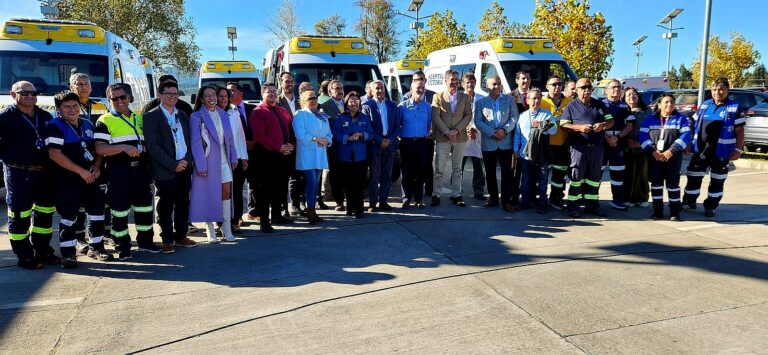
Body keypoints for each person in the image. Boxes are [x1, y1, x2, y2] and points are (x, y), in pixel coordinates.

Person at [44, 91, 112, 268]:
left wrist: (96, 166)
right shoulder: (54, 126)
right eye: (66, 107)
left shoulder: (87, 123)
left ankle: (97, 248)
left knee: (97, 213)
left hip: (90, 178)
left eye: (75, 106)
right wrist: (81, 172)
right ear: (58, 109)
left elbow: (98, 150)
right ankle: (69, 254)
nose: (72, 110)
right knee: (69, 217)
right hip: (67, 180)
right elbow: (54, 154)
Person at [94, 83, 158, 259]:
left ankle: (146, 242)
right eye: (114, 98)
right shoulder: (104, 120)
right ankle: (122, 245)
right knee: (119, 211)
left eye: (123, 97)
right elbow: (100, 148)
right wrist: (124, 147)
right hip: (119, 171)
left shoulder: (139, 118)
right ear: (109, 101)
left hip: (141, 171)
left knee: (144, 207)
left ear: (129, 98)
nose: (119, 101)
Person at [0, 81, 59, 269]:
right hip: (17, 172)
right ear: (13, 94)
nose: (30, 97)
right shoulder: (4, 118)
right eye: (25, 93)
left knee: (45, 214)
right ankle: (24, 256)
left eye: (34, 93)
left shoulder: (45, 116)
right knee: (19, 215)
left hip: (43, 172)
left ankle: (43, 251)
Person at [143, 81, 197, 253]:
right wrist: (173, 165)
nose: (173, 97)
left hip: (184, 167)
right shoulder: (151, 116)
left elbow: (190, 141)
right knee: (166, 206)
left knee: (183, 203)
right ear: (160, 95)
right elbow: (153, 146)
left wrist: (186, 160)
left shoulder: (182, 115)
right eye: (169, 93)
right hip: (165, 170)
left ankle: (181, 235)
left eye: (175, 93)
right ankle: (167, 239)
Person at [682, 77, 745, 217]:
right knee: (693, 176)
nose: (717, 92)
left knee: (717, 180)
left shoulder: (735, 107)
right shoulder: (704, 105)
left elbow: (740, 132)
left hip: (721, 152)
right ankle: (689, 202)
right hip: (700, 150)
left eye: (721, 89)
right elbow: (693, 126)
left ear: (727, 90)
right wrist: (689, 143)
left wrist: (738, 150)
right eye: (714, 89)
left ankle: (711, 206)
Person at [189, 86, 238, 243]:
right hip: (207, 162)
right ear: (202, 99)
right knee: (209, 194)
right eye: (207, 95)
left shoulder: (223, 114)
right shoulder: (196, 116)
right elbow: (196, 143)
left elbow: (229, 138)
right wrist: (201, 165)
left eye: (213, 95)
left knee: (226, 192)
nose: (211, 98)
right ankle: (209, 228)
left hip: (224, 160)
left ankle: (226, 227)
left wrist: (234, 157)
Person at [560, 78, 614, 218]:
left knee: (594, 179)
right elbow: (564, 125)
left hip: (596, 149)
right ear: (577, 90)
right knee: (576, 178)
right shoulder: (571, 106)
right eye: (583, 87)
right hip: (578, 148)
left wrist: (603, 125)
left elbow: (611, 121)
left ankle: (592, 206)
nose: (587, 90)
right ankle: (573, 207)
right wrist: (580, 128)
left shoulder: (599, 104)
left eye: (589, 87)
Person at [69, 72, 110, 253]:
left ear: (91, 87)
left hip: (98, 159)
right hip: (77, 160)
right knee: (78, 203)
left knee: (102, 199)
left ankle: (105, 233)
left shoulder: (101, 105)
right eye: (79, 84)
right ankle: (79, 238)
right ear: (72, 87)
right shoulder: (68, 106)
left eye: (86, 83)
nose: (83, 87)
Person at [251, 83, 296, 233]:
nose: (272, 93)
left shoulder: (283, 111)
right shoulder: (258, 112)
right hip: (267, 156)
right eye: (268, 91)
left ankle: (277, 216)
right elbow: (260, 135)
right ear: (262, 94)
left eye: (274, 91)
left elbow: (291, 131)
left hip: (285, 156)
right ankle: (264, 222)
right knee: (265, 191)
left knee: (280, 188)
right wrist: (278, 147)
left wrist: (292, 144)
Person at [639, 94, 692, 221]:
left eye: (672, 102)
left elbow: (686, 135)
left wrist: (671, 151)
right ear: (659, 104)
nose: (670, 104)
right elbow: (642, 135)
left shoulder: (680, 119)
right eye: (666, 102)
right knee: (656, 185)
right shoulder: (650, 119)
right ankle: (657, 212)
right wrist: (652, 150)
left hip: (673, 159)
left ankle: (675, 212)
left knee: (673, 186)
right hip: (655, 158)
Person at [474, 75, 519, 211]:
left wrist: (504, 130)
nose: (497, 86)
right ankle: (493, 198)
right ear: (487, 86)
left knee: (507, 173)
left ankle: (506, 201)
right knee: (490, 172)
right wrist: (492, 133)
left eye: (498, 84)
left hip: (505, 142)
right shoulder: (480, 103)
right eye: (494, 84)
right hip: (489, 143)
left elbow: (514, 117)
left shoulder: (509, 100)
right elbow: (478, 121)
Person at [431, 70, 472, 207]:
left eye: (456, 79)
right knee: (439, 169)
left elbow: (468, 115)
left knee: (457, 168)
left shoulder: (464, 97)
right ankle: (436, 195)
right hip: (443, 137)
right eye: (452, 79)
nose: (454, 82)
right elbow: (435, 116)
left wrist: (456, 130)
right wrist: (447, 132)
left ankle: (457, 195)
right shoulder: (438, 96)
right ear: (446, 80)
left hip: (459, 137)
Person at [514, 89, 557, 213]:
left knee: (542, 180)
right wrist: (516, 149)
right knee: (526, 180)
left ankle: (542, 203)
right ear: (527, 100)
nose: (536, 101)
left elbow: (554, 130)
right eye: (533, 98)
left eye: (538, 98)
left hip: (541, 154)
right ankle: (525, 202)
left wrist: (542, 125)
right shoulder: (522, 116)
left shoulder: (546, 114)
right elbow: (517, 134)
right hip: (525, 154)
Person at [292, 90, 333, 224]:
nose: (314, 100)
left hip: (320, 154)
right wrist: (316, 139)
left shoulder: (322, 115)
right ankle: (310, 211)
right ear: (303, 101)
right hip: (307, 154)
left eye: (315, 98)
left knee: (316, 184)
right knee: (311, 182)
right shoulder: (300, 114)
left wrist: (327, 140)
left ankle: (313, 210)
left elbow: (329, 134)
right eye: (310, 98)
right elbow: (300, 134)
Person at [332, 91, 373, 218]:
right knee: (348, 184)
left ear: (360, 103)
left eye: (356, 101)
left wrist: (362, 135)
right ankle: (350, 208)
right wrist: (347, 138)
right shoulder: (341, 118)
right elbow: (335, 134)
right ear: (347, 103)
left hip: (360, 156)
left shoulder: (364, 118)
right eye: (351, 101)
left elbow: (371, 134)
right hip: (345, 156)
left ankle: (359, 209)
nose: (354, 103)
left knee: (359, 184)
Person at [362, 80, 401, 212]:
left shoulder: (393, 105)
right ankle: (373, 203)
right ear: (371, 91)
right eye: (377, 88)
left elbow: (397, 126)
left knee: (387, 176)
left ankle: (383, 201)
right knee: (374, 176)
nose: (380, 91)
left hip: (390, 145)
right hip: (375, 145)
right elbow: (368, 128)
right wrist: (380, 141)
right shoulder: (367, 106)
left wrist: (389, 140)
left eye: (382, 88)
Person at [216, 86, 249, 234]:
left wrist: (244, 157)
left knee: (236, 191)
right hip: (219, 159)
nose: (223, 99)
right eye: (220, 96)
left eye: (226, 96)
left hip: (236, 158)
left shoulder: (234, 113)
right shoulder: (211, 114)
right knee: (221, 192)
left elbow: (240, 137)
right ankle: (220, 223)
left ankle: (235, 221)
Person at [227, 82, 259, 226]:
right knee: (237, 187)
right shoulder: (226, 111)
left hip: (254, 151)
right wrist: (244, 143)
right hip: (237, 153)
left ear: (241, 93)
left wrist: (254, 142)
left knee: (255, 183)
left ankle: (254, 212)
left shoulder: (253, 109)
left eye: (232, 90)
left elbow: (259, 128)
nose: (230, 93)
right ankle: (237, 216)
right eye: (228, 91)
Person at [398, 77, 432, 209]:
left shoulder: (427, 107)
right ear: (411, 89)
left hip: (422, 143)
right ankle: (406, 198)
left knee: (421, 172)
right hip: (407, 143)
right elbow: (398, 124)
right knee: (407, 172)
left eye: (423, 87)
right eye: (418, 87)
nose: (421, 90)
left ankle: (419, 199)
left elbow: (429, 125)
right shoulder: (402, 106)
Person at [601, 79, 635, 211]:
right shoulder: (600, 104)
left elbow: (630, 125)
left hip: (619, 143)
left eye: (619, 87)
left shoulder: (625, 106)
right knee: (597, 172)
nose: (617, 89)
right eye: (614, 87)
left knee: (618, 173)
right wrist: (607, 137)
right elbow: (595, 122)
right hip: (602, 143)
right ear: (606, 90)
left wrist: (617, 137)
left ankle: (617, 200)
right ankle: (592, 200)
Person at [540, 75, 573, 210]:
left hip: (563, 145)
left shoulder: (570, 102)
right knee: (542, 175)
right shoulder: (541, 101)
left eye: (559, 84)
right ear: (547, 86)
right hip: (545, 145)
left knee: (559, 176)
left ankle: (556, 198)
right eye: (553, 84)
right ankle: (541, 200)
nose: (557, 87)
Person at [623, 87, 652, 207]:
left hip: (642, 145)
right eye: (629, 94)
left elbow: (652, 128)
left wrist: (642, 142)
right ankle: (627, 197)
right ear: (624, 98)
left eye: (634, 94)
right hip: (625, 146)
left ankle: (642, 198)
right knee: (627, 173)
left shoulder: (647, 111)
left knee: (642, 173)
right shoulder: (621, 110)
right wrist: (627, 140)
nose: (632, 96)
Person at [320, 79, 346, 211]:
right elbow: (326, 128)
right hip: (334, 147)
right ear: (330, 92)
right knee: (336, 175)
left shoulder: (348, 103)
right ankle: (339, 202)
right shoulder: (324, 107)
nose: (340, 91)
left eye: (341, 88)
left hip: (350, 147)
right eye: (336, 88)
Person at [460, 72, 487, 201]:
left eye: (472, 82)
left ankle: (479, 191)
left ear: (475, 83)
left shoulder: (482, 99)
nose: (470, 84)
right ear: (463, 84)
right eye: (467, 82)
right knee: (458, 166)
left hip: (477, 136)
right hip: (462, 135)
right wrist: (465, 129)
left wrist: (475, 129)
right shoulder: (459, 98)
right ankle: (457, 190)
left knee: (479, 167)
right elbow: (455, 117)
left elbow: (486, 118)